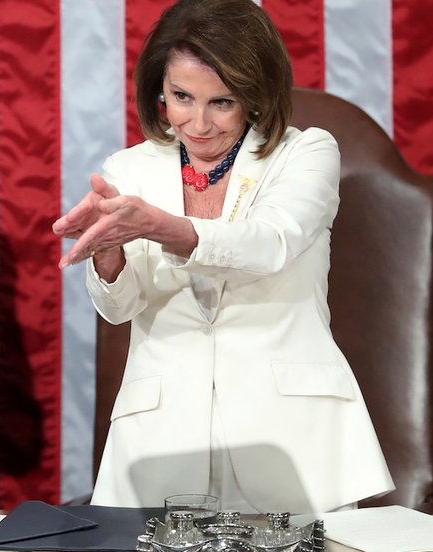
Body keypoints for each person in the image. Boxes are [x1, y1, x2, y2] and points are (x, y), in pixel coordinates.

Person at [53, 0, 393, 513]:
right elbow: (121, 308)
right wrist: (108, 257)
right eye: (181, 97)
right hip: (161, 444)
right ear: (158, 92)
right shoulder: (129, 168)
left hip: (293, 442)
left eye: (222, 102)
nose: (198, 123)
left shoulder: (305, 152)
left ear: (256, 97)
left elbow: (270, 242)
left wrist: (164, 228)